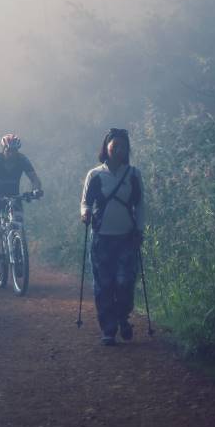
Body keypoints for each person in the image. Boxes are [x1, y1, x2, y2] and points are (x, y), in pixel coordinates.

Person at [81, 127, 146, 346]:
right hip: (102, 237)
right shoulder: (95, 175)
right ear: (106, 147)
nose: (118, 149)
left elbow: (140, 205)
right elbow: (86, 202)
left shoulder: (133, 174)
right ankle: (108, 329)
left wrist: (140, 229)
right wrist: (85, 213)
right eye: (114, 145)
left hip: (127, 237)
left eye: (122, 146)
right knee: (104, 284)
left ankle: (123, 317)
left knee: (125, 282)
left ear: (127, 149)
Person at [0, 134, 43, 249]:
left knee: (18, 221)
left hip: (14, 196)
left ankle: (17, 248)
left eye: (14, 151)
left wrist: (36, 190)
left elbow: (35, 179)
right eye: (8, 150)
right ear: (3, 149)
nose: (11, 154)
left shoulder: (22, 160)